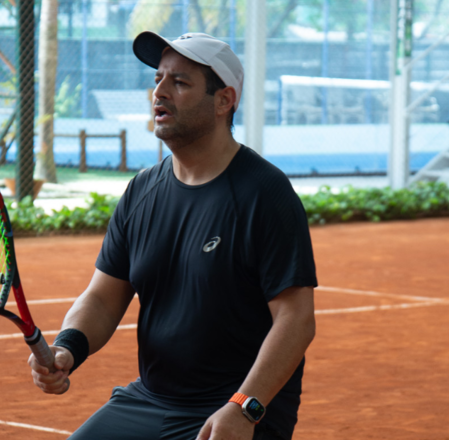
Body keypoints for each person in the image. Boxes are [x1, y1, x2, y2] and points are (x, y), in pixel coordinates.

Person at [29, 32, 318, 440]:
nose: (160, 92)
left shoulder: (265, 194)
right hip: (149, 399)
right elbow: (102, 297)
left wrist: (245, 407)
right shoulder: (142, 191)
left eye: (180, 82)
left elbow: (296, 320)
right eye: (158, 80)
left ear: (224, 100)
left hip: (236, 409)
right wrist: (67, 348)